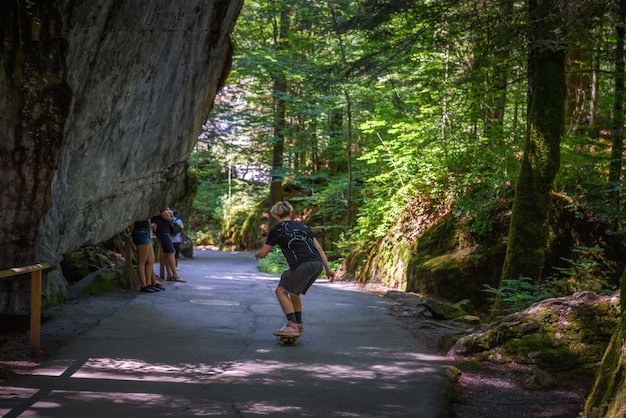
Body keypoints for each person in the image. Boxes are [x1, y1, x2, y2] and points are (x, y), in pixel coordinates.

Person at [255, 201, 335, 337]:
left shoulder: (277, 230)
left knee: (281, 291)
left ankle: (292, 326)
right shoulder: (303, 227)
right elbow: (319, 248)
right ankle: (298, 325)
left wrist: (256, 255)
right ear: (290, 213)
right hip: (317, 264)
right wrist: (328, 270)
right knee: (293, 292)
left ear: (275, 215)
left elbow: (263, 253)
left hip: (302, 265)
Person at [151, 208, 186, 283]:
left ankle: (170, 274)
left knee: (167, 253)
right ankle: (175, 275)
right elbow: (167, 216)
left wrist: (169, 211)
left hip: (163, 232)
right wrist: (169, 212)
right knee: (171, 252)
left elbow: (169, 213)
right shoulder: (160, 211)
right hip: (163, 232)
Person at [129, 219, 164, 292]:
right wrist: (133, 232)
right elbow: (131, 221)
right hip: (140, 231)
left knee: (151, 259)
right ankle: (144, 285)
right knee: (142, 261)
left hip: (146, 230)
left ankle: (149, 283)